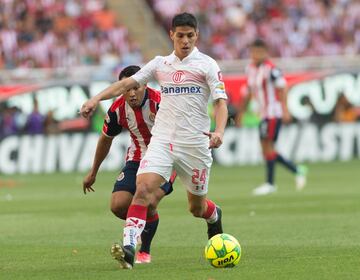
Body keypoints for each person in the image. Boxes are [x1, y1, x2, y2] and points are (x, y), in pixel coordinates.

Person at [80, 12, 228, 269]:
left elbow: (220, 103)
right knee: (143, 191)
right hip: (162, 142)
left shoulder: (207, 65)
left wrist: (219, 132)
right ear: (171, 35)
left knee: (196, 207)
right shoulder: (160, 64)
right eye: (180, 35)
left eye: (190, 36)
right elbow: (127, 83)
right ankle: (129, 247)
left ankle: (214, 215)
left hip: (194, 145)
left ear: (197, 36)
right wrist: (96, 99)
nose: (185, 41)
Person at [82, 65, 175, 264]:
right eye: (127, 89)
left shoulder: (161, 102)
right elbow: (106, 139)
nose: (132, 93)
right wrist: (93, 171)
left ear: (145, 84)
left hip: (167, 158)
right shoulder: (117, 110)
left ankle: (139, 250)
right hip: (137, 157)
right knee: (118, 205)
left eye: (137, 87)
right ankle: (139, 225)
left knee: (146, 199)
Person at [236, 38, 307, 196]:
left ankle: (270, 183)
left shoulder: (272, 69)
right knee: (268, 149)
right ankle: (297, 170)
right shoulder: (250, 69)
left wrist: (285, 109)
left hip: (273, 113)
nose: (256, 54)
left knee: (267, 148)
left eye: (259, 52)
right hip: (263, 114)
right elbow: (248, 92)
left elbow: (282, 88)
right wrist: (241, 113)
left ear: (266, 52)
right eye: (254, 52)